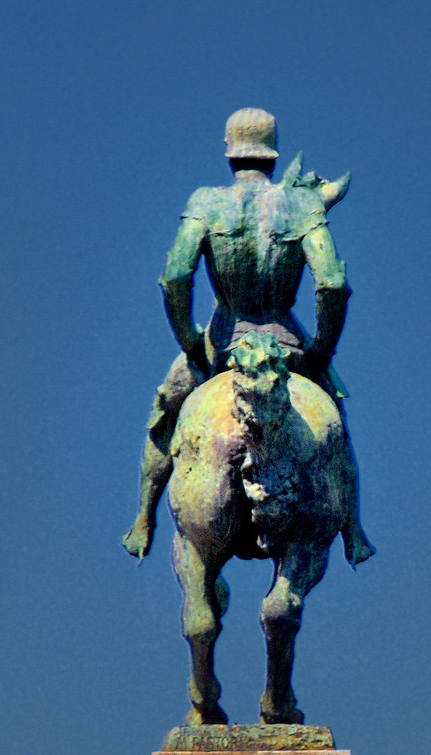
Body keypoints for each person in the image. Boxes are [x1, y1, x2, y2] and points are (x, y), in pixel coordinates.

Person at [122, 107, 373, 565]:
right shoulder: (301, 206)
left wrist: (189, 344)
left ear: (230, 151)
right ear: (273, 153)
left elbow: (176, 275)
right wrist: (320, 352)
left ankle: (143, 520)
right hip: (289, 349)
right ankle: (354, 531)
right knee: (336, 430)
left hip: (221, 346)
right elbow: (332, 284)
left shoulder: (205, 201)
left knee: (165, 414)